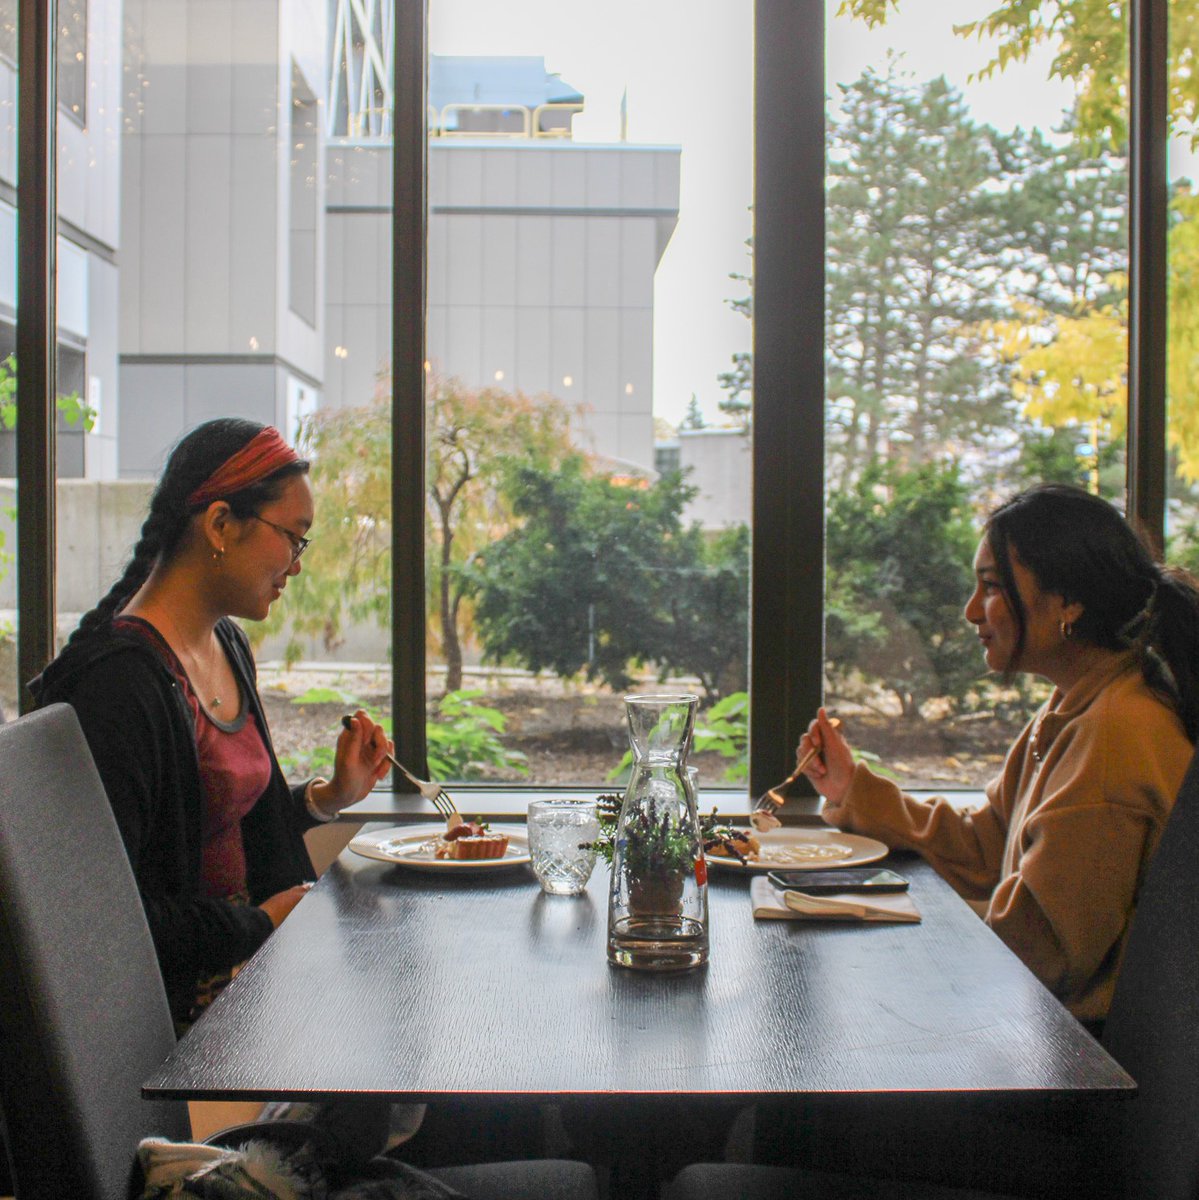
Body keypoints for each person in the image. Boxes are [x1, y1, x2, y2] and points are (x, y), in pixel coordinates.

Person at [30, 419, 392, 1031]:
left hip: (252, 983)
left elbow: (231, 820)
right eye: (293, 538)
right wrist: (264, 924)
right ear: (221, 525)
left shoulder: (226, 643)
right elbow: (110, 918)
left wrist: (330, 798)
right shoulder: (121, 686)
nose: (297, 566)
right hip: (182, 1024)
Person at [801, 483, 1199, 1027]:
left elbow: (1036, 955)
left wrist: (865, 922)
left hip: (1071, 1071)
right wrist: (852, 790)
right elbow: (988, 846)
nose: (970, 611)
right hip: (1038, 1036)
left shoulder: (1115, 736)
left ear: (1069, 602)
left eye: (991, 586)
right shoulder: (1081, 705)